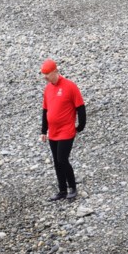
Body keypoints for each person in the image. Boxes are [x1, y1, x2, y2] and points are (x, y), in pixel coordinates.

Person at [40, 59, 86, 201]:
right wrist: (43, 131)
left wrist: (80, 126)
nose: (45, 77)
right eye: (43, 74)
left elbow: (80, 107)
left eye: (47, 74)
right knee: (56, 161)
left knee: (62, 159)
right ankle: (62, 190)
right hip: (53, 132)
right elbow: (45, 110)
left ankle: (72, 187)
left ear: (55, 71)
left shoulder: (70, 86)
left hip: (66, 130)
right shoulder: (48, 88)